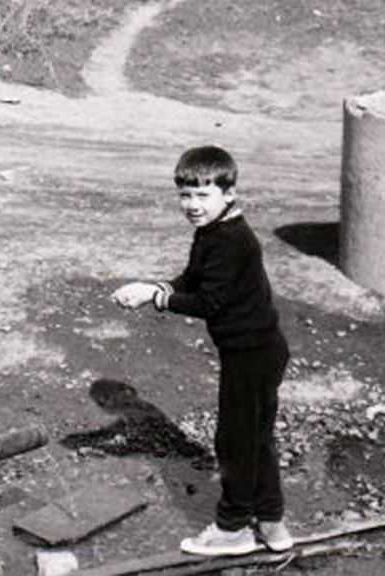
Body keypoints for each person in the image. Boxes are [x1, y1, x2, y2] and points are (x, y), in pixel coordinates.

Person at [112, 145, 293, 557]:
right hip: (256, 350)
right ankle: (271, 521)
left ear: (229, 194)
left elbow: (210, 301)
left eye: (202, 195)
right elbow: (192, 279)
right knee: (255, 438)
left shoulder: (233, 242)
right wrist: (157, 288)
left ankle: (233, 529)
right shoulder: (214, 232)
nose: (192, 205)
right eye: (184, 195)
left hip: (252, 354)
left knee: (234, 442)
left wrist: (157, 300)